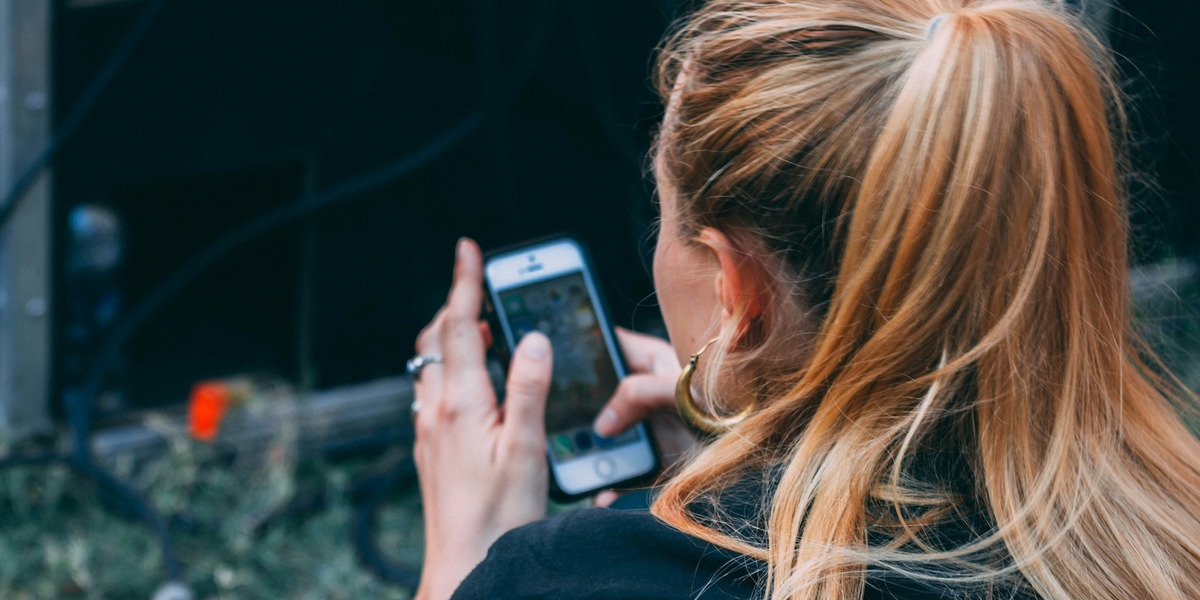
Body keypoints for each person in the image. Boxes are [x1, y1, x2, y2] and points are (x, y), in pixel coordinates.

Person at [405, 0, 1200, 598]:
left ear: (737, 290)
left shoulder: (572, 578)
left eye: (666, 216)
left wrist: (465, 560)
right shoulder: (1172, 530)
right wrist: (734, 475)